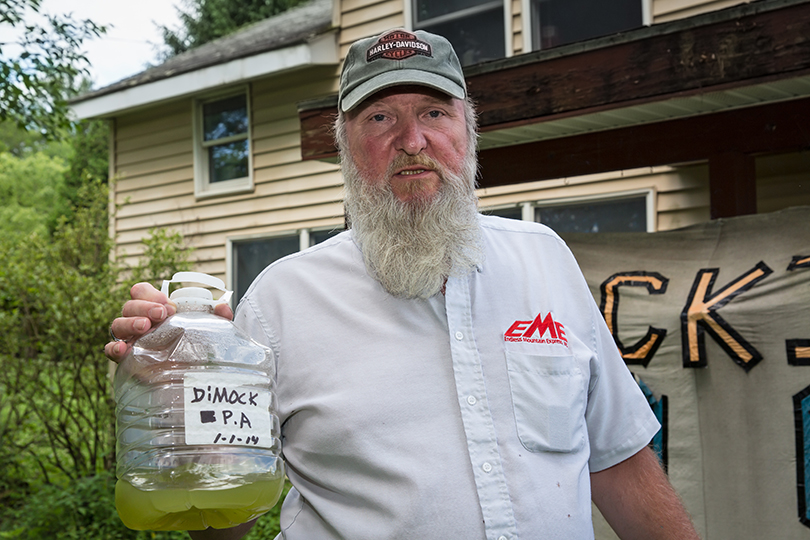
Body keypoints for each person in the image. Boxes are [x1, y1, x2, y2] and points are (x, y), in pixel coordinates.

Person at [107, 29, 700, 540]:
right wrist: (177, 403)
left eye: (435, 113)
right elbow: (221, 517)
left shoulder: (544, 260)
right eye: (381, 118)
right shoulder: (281, 302)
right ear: (345, 145)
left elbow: (618, 461)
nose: (412, 142)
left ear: (467, 129)